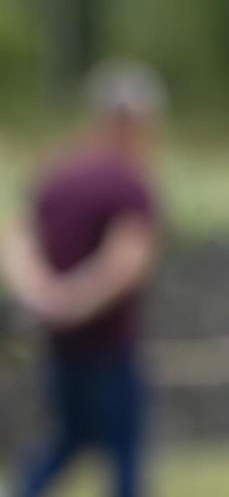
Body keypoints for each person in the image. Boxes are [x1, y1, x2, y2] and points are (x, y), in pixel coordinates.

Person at [2, 61, 166, 497]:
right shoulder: (131, 183)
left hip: (61, 347)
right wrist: (72, 302)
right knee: (126, 457)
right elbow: (127, 263)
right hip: (109, 345)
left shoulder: (57, 170)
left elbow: (17, 240)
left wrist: (41, 296)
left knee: (67, 443)